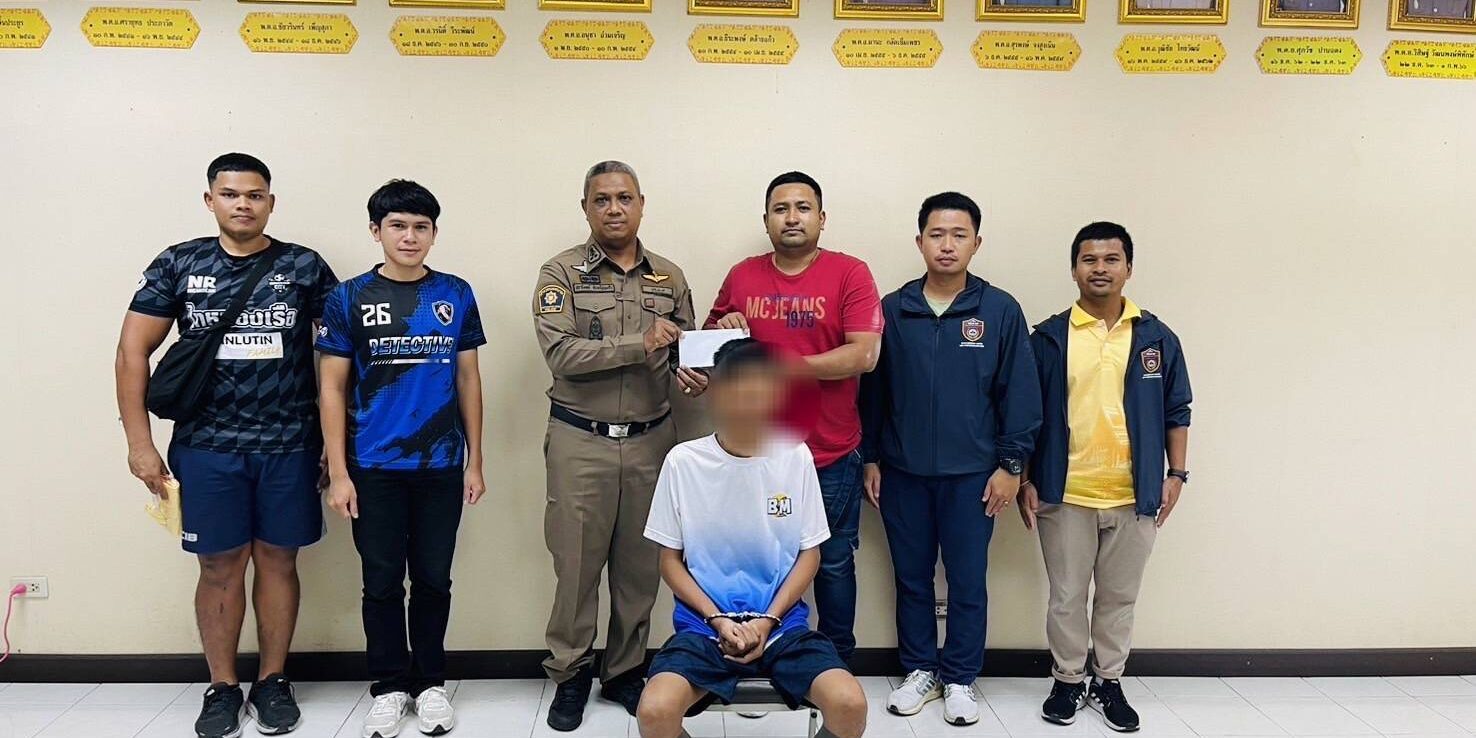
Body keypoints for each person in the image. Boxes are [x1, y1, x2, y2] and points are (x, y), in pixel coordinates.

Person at [115, 153, 337, 738]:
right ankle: (222, 687)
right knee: (218, 565)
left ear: (271, 203)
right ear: (210, 200)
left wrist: (334, 443)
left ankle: (273, 682)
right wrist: (140, 443)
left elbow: (339, 356)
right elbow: (132, 351)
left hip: (289, 441)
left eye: (255, 195)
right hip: (206, 445)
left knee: (279, 560)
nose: (243, 204)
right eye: (231, 194)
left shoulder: (304, 266)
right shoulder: (179, 263)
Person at [532, 161, 706, 732]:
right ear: (585, 208)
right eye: (602, 199)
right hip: (581, 440)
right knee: (577, 565)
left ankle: (625, 671)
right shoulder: (561, 272)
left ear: (641, 204)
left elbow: (682, 350)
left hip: (653, 442)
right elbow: (561, 354)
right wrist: (640, 342)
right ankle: (571, 672)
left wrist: (693, 371)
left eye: (624, 197)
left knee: (640, 568)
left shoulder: (669, 277)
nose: (614, 208)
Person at [859, 193, 1041, 726]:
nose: (947, 245)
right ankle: (920, 669)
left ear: (976, 243)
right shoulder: (894, 309)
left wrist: (1011, 467)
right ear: (919, 241)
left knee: (966, 579)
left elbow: (1020, 395)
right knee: (911, 578)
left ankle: (960, 676)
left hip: (974, 477)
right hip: (902, 473)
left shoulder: (999, 310)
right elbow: (872, 394)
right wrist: (871, 457)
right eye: (936, 234)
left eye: (959, 235)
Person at [317, 180, 486, 738]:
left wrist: (475, 460)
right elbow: (331, 388)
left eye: (420, 227)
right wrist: (339, 473)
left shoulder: (455, 292)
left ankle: (430, 683)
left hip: (441, 464)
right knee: (383, 581)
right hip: (372, 466)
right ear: (376, 231)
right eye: (397, 226)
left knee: (434, 579)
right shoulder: (348, 297)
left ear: (433, 233)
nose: (409, 236)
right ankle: (390, 686)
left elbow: (468, 378)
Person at [636, 339, 869, 738]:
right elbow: (669, 562)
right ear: (715, 393)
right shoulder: (683, 462)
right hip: (704, 628)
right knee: (655, 712)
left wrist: (768, 620)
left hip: (781, 626)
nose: (747, 405)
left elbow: (810, 554)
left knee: (850, 705)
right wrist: (717, 619)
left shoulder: (795, 456)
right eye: (736, 391)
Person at [1019, 222, 1193, 733]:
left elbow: (1177, 410)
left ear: (1128, 268)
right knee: (1067, 597)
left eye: (1111, 259)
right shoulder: (1048, 338)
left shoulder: (1156, 337)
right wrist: (1025, 478)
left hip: (1134, 495)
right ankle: (1068, 680)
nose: (1100, 269)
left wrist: (1176, 474)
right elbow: (1026, 415)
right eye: (1089, 260)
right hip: (1064, 492)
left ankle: (1109, 681)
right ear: (1074, 269)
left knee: (1119, 599)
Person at [706, 171, 882, 663]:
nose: (792, 217)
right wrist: (725, 327)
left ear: (822, 219)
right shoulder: (742, 276)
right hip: (753, 454)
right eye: (781, 209)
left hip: (829, 452)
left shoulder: (850, 273)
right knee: (760, 557)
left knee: (831, 562)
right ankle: (760, 656)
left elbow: (864, 355)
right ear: (766, 220)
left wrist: (783, 367)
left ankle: (834, 663)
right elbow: (709, 350)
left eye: (803, 208)